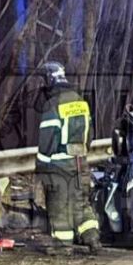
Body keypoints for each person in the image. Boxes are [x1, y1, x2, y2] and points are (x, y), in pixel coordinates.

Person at [34, 61, 101, 254]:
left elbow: (47, 141)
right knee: (81, 202)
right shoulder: (80, 101)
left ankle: (63, 246)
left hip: (58, 165)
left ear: (48, 80)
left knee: (59, 204)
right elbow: (89, 134)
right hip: (80, 162)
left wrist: (41, 166)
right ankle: (92, 239)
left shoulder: (52, 104)